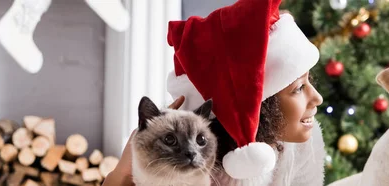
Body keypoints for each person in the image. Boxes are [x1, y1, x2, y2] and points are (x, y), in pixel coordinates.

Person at [103, 0, 327, 185]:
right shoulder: (189, 166)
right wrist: (121, 175)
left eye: (309, 82)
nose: (318, 98)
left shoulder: (304, 142)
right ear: (260, 106)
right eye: (298, 88)